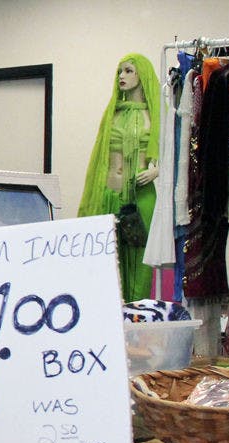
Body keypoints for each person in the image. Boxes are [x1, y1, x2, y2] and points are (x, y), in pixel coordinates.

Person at [79, 53, 161, 302]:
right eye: (119, 72)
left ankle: (135, 329)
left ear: (142, 75)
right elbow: (99, 156)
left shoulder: (157, 115)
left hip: (142, 198)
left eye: (128, 71)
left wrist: (158, 170)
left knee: (139, 265)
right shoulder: (112, 114)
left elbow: (174, 154)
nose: (122, 77)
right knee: (107, 264)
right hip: (108, 196)